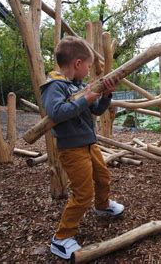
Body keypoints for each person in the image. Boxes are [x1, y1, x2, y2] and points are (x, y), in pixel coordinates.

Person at [41, 36, 124, 260]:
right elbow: (56, 113)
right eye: (88, 65)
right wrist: (84, 99)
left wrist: (105, 95)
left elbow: (96, 110)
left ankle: (102, 205)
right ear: (77, 63)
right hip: (72, 149)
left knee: (103, 176)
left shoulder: (77, 86)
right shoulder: (54, 86)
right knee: (82, 193)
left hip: (89, 143)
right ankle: (61, 238)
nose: (89, 71)